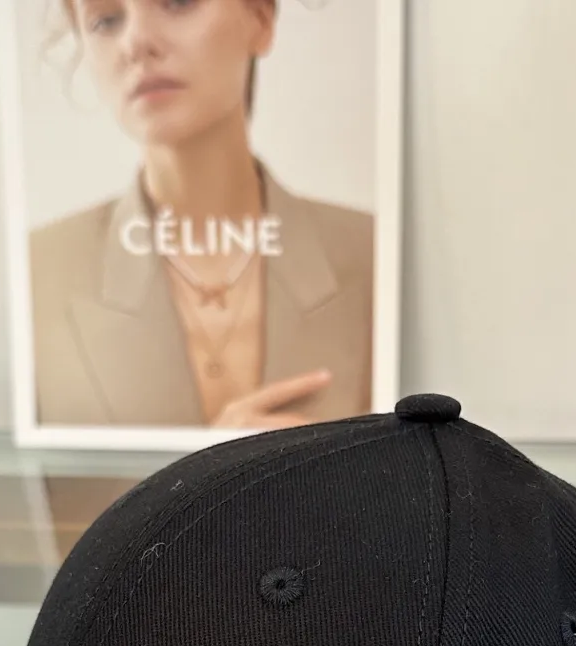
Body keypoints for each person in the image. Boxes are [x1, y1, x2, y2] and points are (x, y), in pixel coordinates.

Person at [30, 0, 374, 429]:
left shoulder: (377, 257)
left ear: (261, 19)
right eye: (106, 20)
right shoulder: (34, 277)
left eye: (178, 2)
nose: (136, 42)